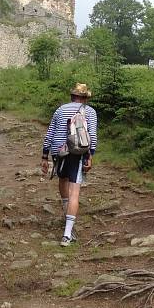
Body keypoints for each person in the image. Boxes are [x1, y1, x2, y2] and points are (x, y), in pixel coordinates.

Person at [40, 83, 98, 247]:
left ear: (72, 96)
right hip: (78, 153)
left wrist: (45, 155)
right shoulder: (90, 112)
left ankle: (67, 212)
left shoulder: (60, 109)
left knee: (62, 180)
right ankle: (67, 235)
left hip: (59, 152)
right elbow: (91, 135)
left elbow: (50, 132)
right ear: (85, 98)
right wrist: (90, 156)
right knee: (75, 192)